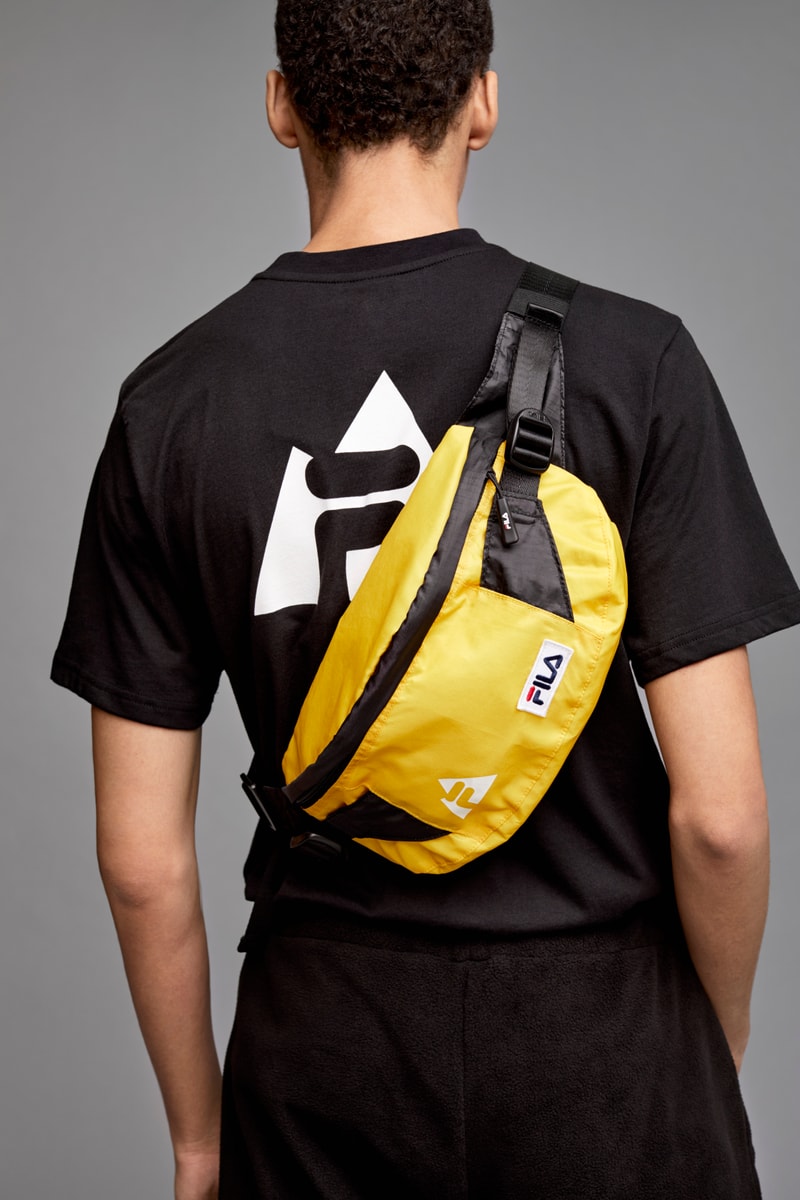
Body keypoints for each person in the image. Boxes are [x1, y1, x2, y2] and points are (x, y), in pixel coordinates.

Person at [52, 2, 800, 1197]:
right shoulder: (633, 361)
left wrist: (200, 1136)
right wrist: (708, 1047)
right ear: (482, 103)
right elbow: (720, 819)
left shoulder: (170, 406)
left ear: (281, 105)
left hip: (321, 1053)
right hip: (603, 1044)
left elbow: (141, 860)